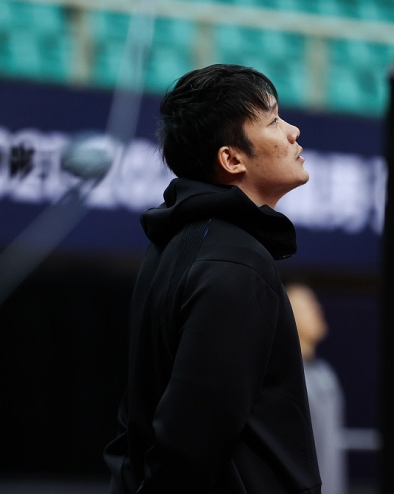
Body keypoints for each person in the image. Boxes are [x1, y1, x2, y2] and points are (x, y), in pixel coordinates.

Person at [104, 64, 321, 494]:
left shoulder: (174, 246)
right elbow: (188, 444)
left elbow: (138, 428)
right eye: (273, 121)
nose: (293, 131)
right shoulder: (236, 263)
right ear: (232, 159)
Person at [286, 282, 347, 494]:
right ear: (289, 316)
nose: (317, 310)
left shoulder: (326, 373)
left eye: (316, 303)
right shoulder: (286, 380)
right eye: (308, 306)